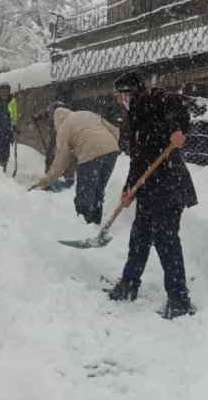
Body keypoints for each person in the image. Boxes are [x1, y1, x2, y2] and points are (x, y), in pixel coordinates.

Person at [107, 70, 198, 319]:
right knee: (139, 238)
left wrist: (179, 128)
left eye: (119, 95)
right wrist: (128, 190)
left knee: (166, 241)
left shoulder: (148, 102)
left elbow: (175, 101)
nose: (117, 100)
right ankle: (129, 285)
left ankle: (179, 300)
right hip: (150, 189)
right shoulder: (135, 117)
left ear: (128, 94)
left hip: (168, 186)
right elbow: (139, 161)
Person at [37, 105, 120, 225]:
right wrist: (106, 146)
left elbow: (59, 163)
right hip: (112, 151)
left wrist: (46, 180)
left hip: (90, 152)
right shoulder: (87, 113)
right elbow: (114, 130)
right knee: (98, 191)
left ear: (56, 120)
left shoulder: (63, 128)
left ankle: (83, 229)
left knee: (84, 195)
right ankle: (95, 224)